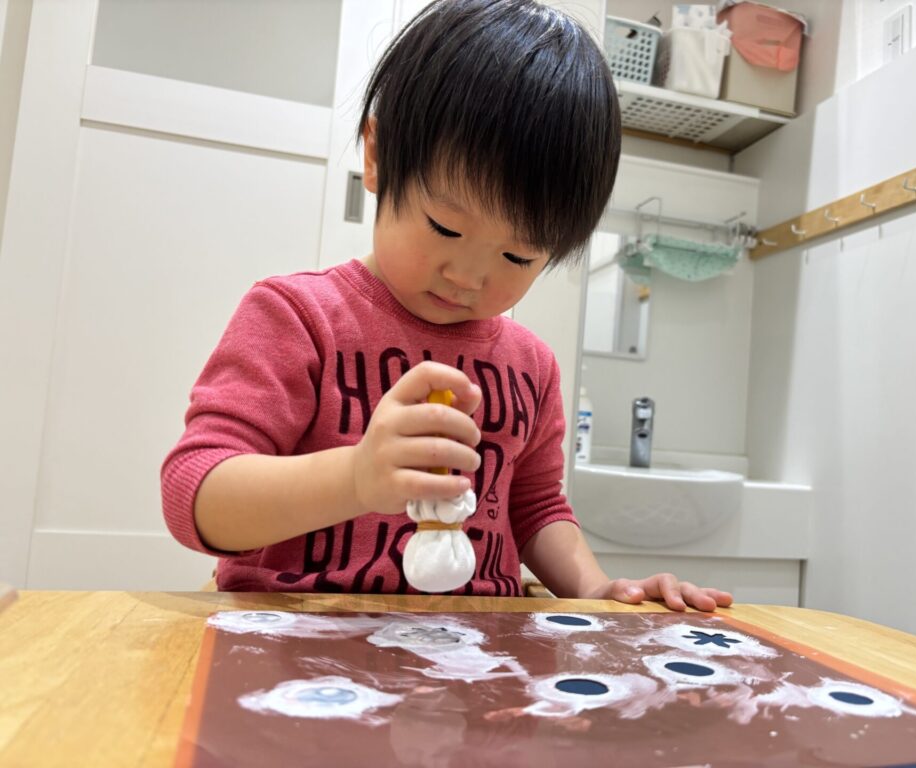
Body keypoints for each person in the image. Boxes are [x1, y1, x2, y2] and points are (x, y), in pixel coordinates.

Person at [161, 0, 733, 612]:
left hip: (475, 649)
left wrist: (597, 590)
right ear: (378, 157)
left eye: (517, 257)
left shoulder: (533, 366)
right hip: (303, 641)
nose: (467, 277)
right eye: (445, 227)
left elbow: (536, 509)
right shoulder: (298, 317)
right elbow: (194, 495)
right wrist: (355, 479)